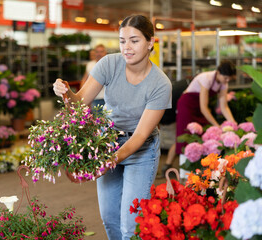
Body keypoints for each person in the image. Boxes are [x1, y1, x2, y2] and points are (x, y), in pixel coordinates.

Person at [53, 14, 172, 240]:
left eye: (134, 41)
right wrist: (65, 92)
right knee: (109, 218)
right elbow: (78, 103)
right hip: (107, 142)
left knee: (131, 223)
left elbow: (139, 136)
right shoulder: (109, 63)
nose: (126, 47)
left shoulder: (160, 84)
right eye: (122, 40)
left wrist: (109, 161)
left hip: (142, 150)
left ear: (150, 42)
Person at [158, 60, 237, 178]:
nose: (227, 81)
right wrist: (217, 125)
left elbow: (224, 106)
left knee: (203, 135)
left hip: (199, 107)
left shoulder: (223, 83)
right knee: (183, 136)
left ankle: (198, 168)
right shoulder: (207, 78)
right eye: (225, 78)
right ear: (219, 72)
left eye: (229, 79)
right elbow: (204, 108)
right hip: (187, 105)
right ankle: (167, 166)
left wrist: (233, 123)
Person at [80, 44, 107, 109]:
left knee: (109, 118)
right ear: (94, 53)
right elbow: (84, 80)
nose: (99, 54)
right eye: (97, 52)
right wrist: (83, 97)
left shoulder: (110, 65)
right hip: (95, 99)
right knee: (97, 118)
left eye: (101, 51)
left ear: (105, 53)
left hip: (108, 99)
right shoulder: (90, 65)